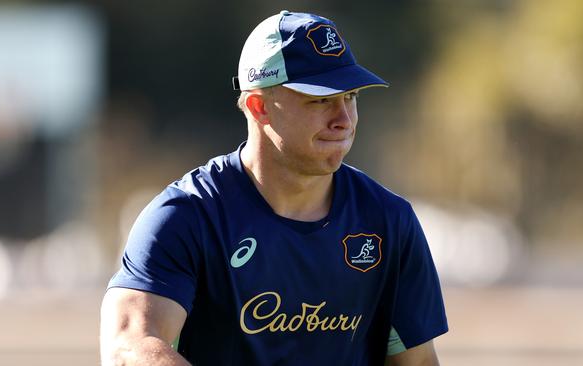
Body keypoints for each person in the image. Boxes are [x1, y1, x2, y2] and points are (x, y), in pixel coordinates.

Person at [100, 10, 448, 366]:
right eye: (321, 100)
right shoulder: (186, 217)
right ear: (259, 107)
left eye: (351, 97)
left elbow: (417, 361)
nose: (344, 119)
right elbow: (130, 346)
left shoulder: (388, 221)